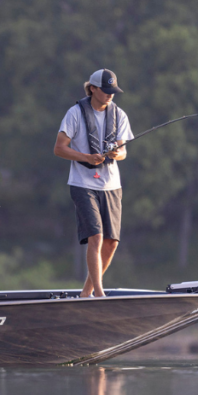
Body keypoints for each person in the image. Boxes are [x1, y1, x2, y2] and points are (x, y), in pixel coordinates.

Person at [53, 68, 134, 297]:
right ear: (93, 89)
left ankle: (85, 294)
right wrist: (87, 158)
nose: (110, 95)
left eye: (113, 91)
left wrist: (115, 154)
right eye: (106, 91)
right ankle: (99, 294)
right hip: (83, 184)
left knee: (111, 243)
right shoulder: (75, 114)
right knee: (96, 237)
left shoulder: (120, 115)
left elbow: (123, 151)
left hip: (111, 185)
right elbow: (59, 148)